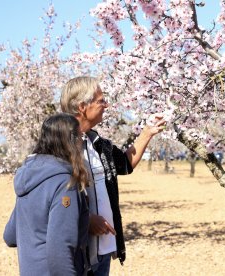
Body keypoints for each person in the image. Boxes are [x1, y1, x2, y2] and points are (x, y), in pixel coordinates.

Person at [60, 76, 165, 275]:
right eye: (101, 101)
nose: (106, 105)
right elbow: (55, 196)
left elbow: (125, 164)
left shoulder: (98, 144)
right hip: (78, 253)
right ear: (83, 106)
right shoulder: (59, 145)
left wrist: (147, 132)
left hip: (103, 250)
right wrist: (87, 220)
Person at [3, 113, 90, 276]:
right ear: (71, 141)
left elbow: (10, 236)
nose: (81, 143)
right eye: (80, 137)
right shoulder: (65, 184)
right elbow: (60, 251)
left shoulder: (29, 178)